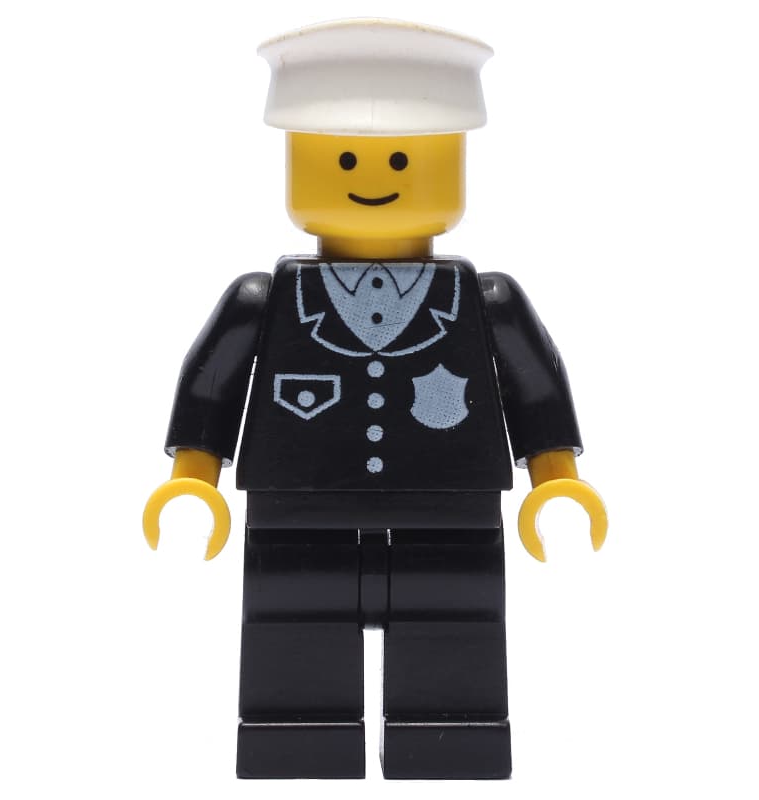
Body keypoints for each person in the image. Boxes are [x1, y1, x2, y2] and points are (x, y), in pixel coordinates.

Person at [143, 18, 607, 780]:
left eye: (401, 158)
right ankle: (297, 734)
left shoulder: (482, 299)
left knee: (453, 617)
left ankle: (447, 733)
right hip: (297, 508)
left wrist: (556, 481)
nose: (372, 175)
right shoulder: (268, 298)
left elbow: (535, 385)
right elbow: (213, 382)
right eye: (344, 157)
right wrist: (193, 479)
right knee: (294, 617)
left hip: (450, 507)